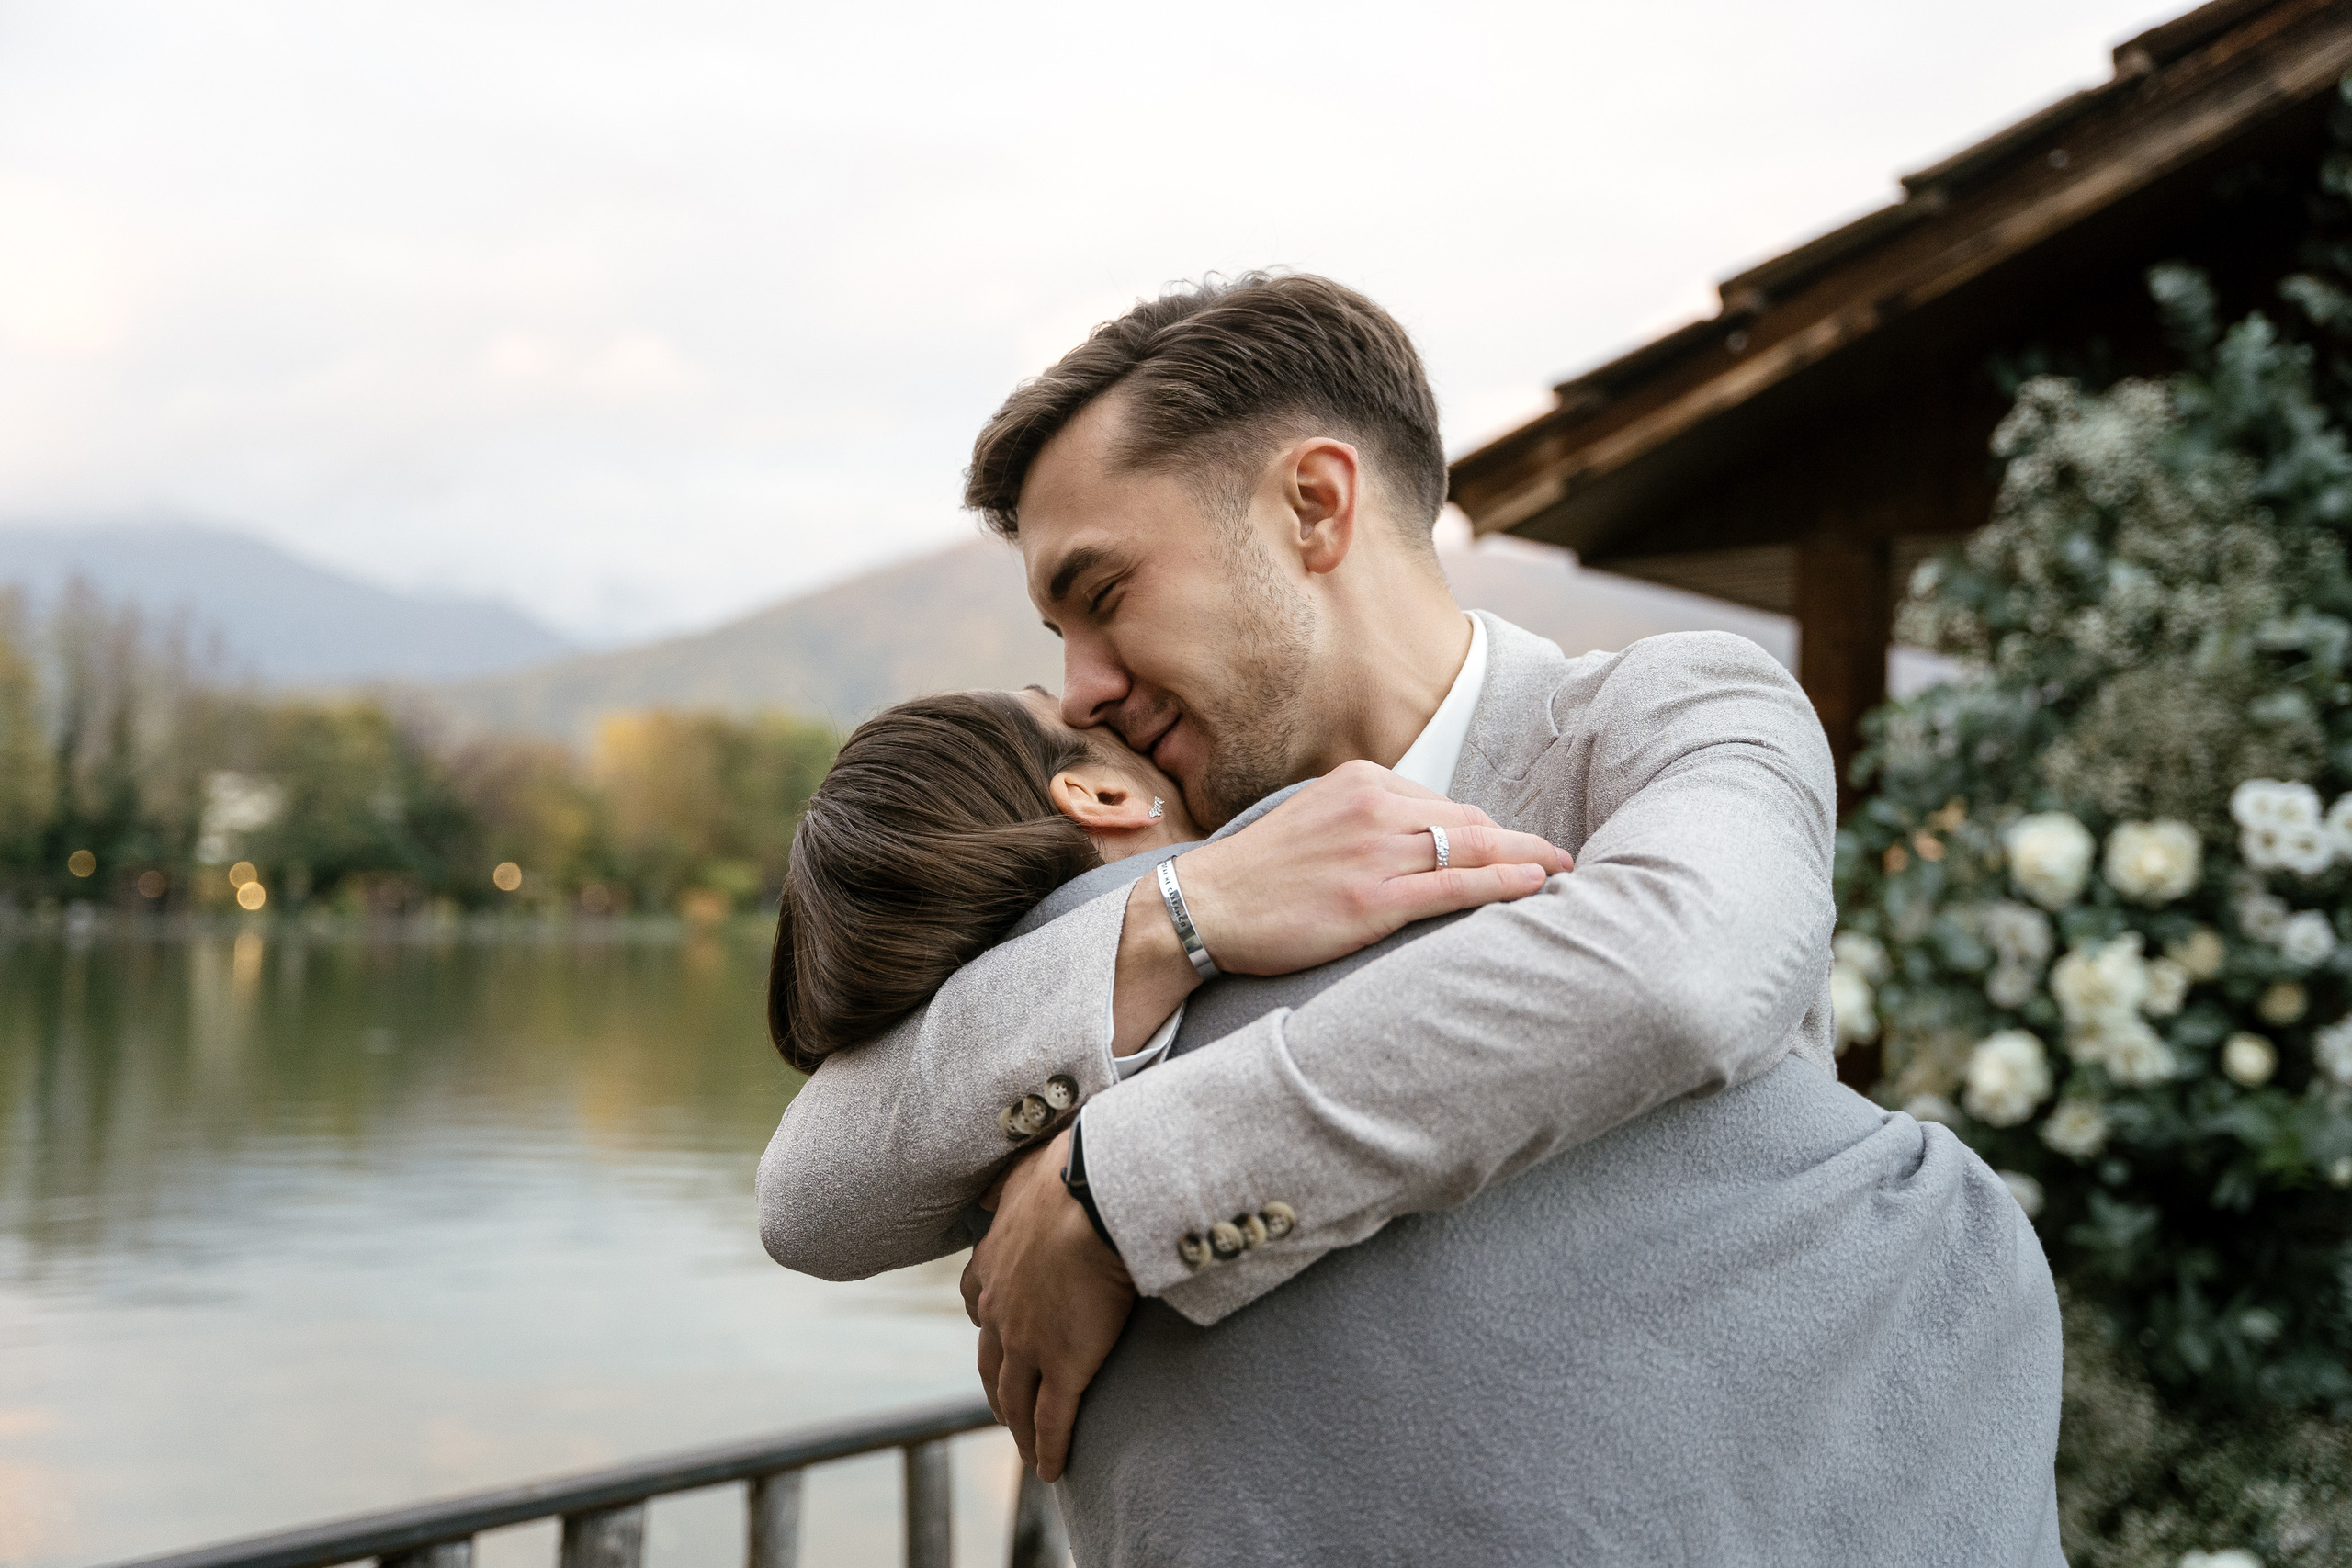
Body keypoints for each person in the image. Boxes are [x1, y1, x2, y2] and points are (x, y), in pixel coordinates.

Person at [758, 273, 2065, 1563]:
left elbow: (1683, 970)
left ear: (1315, 508)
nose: (1082, 689)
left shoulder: (1665, 718)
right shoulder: (1147, 857)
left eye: (1102, 599)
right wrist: (1185, 912)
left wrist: (1119, 1193)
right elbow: (811, 1199)